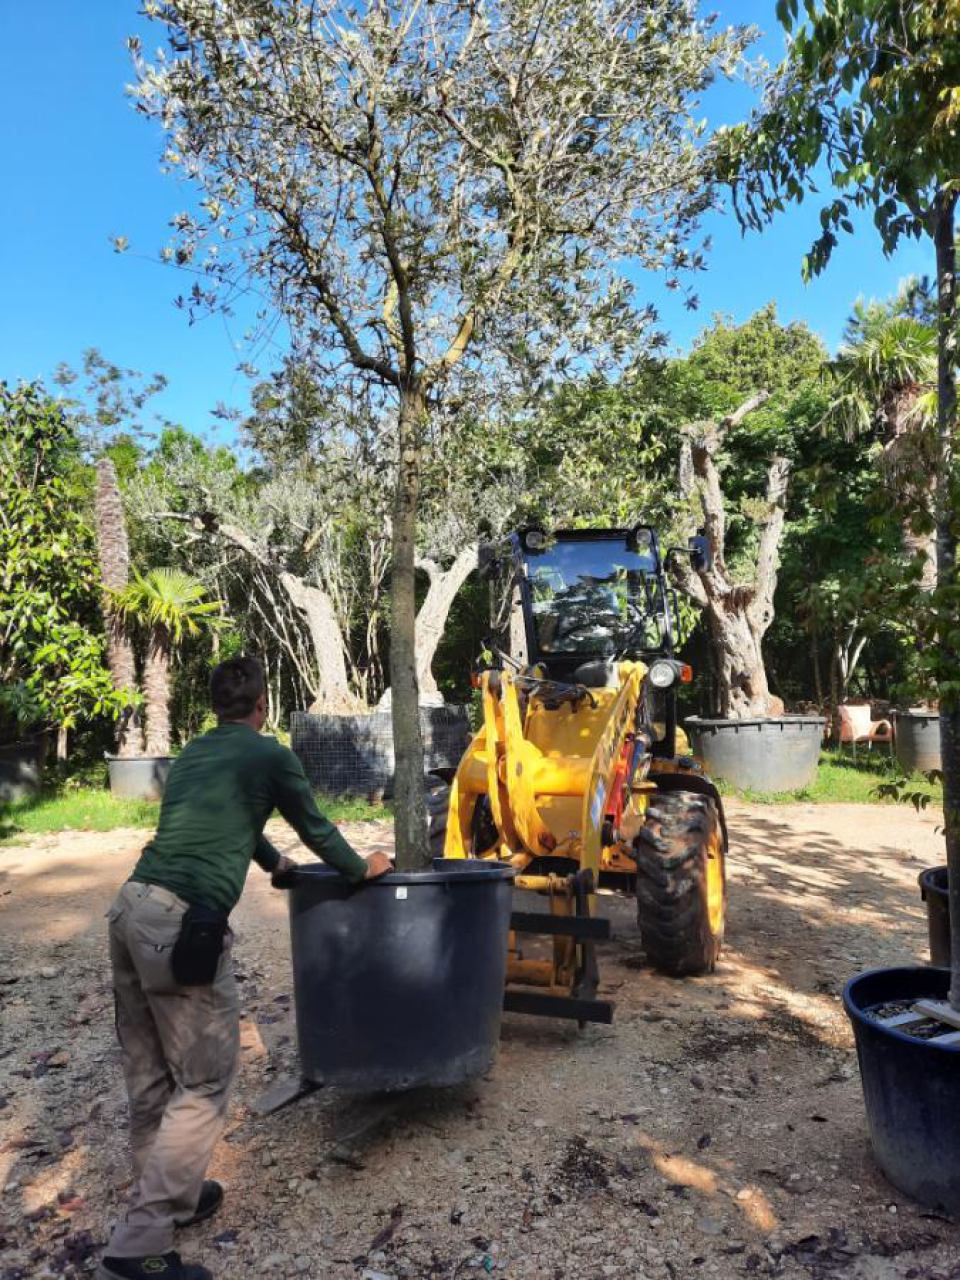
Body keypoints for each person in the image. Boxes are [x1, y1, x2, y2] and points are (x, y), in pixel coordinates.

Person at [97, 656, 392, 1280]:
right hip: (181, 924)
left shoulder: (194, 754)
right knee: (204, 1081)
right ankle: (138, 1248)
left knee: (149, 1074)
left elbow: (235, 822)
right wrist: (362, 867)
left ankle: (171, 1200)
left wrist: (272, 864)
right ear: (263, 705)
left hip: (130, 909)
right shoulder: (270, 755)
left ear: (216, 707)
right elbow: (316, 828)